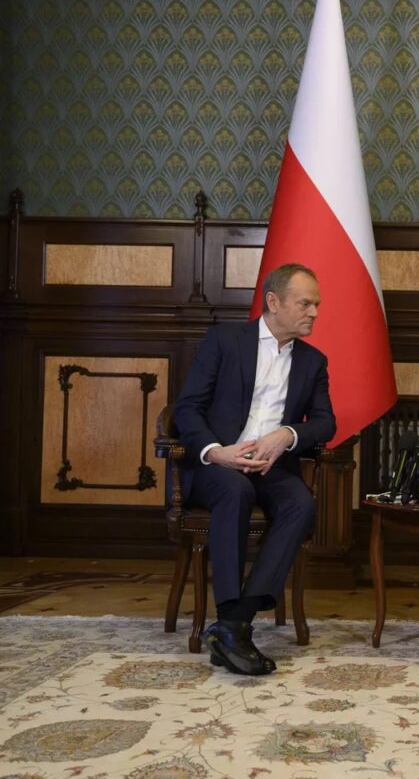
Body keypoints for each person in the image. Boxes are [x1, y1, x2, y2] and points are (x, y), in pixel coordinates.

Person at [173, 262, 335, 676]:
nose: (314, 312)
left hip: (272, 467)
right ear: (273, 302)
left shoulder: (313, 361)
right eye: (305, 303)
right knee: (236, 490)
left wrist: (287, 435)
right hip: (217, 465)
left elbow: (325, 423)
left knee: (301, 503)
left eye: (316, 304)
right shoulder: (225, 340)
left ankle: (233, 625)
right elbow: (187, 409)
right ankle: (233, 623)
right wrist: (216, 452)